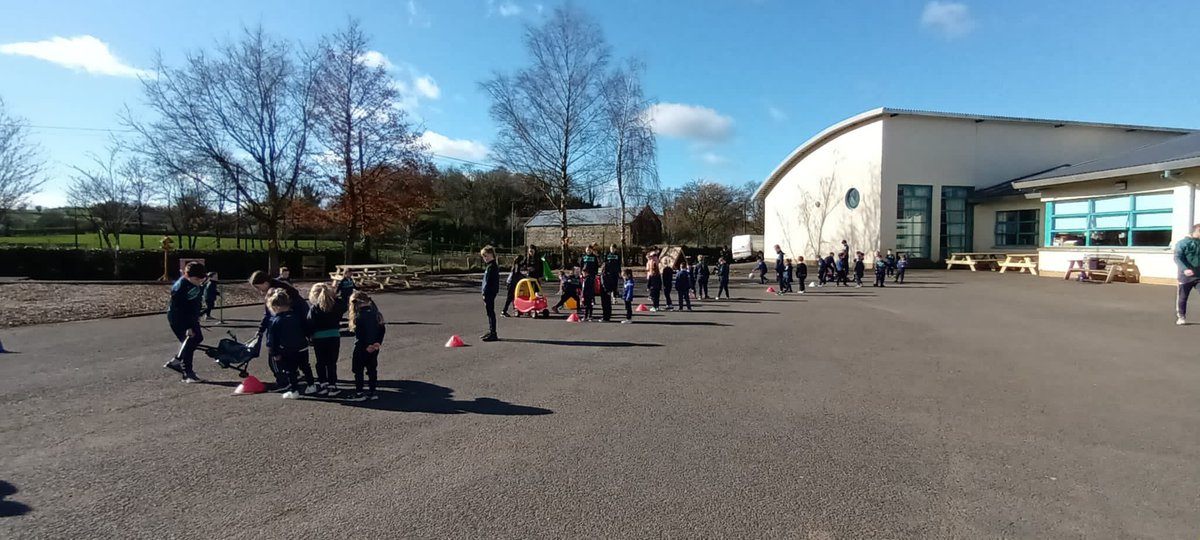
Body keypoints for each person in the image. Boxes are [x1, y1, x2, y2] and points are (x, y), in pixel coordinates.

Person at [266, 288, 317, 399]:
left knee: (291, 370)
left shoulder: (276, 321)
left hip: (288, 349)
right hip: (302, 347)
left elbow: (272, 339)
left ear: (275, 307)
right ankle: (311, 385)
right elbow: (306, 328)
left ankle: (294, 390)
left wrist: (274, 352)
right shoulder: (297, 316)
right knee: (306, 367)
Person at [307, 276, 354, 396]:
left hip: (319, 337)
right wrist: (335, 294)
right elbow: (343, 304)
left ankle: (323, 383)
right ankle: (332, 384)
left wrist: (309, 336)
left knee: (320, 362)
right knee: (331, 362)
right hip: (333, 335)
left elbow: (309, 323)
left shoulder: (314, 308)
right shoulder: (335, 306)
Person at [164, 261, 208, 383]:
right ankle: (187, 373)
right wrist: (188, 326)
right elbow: (181, 308)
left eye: (201, 279)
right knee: (191, 340)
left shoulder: (195, 283)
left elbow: (196, 301)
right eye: (196, 279)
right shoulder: (180, 288)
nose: (199, 281)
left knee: (195, 339)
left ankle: (177, 361)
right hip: (179, 318)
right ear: (187, 276)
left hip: (190, 317)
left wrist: (198, 314)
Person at [347, 291, 385, 401]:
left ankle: (359, 392)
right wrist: (377, 343)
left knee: (358, 370)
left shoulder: (358, 317)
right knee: (372, 369)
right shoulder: (376, 314)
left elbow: (360, 334)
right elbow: (382, 329)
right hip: (374, 347)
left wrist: (367, 345)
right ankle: (372, 391)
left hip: (361, 347)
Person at [250, 270, 308, 338]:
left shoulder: (278, 292)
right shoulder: (272, 290)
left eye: (258, 288)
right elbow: (267, 312)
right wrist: (260, 330)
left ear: (265, 283)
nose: (259, 291)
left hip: (297, 317)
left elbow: (268, 312)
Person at [1175, 224, 1200, 325]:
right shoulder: (1182, 243)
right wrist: (1185, 269)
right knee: (1183, 297)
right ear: (1195, 231)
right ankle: (1181, 316)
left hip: (1199, 275)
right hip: (1185, 276)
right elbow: (1177, 257)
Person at [481, 245, 500, 341]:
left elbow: (489, 282)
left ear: (491, 254)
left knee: (490, 312)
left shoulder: (492, 267)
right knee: (489, 312)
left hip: (489, 292)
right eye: (483, 256)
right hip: (489, 292)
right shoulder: (490, 266)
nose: (484, 258)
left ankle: (493, 333)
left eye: (485, 255)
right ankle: (491, 330)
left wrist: (485, 292)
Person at [601, 244, 621, 322]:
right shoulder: (607, 254)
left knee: (614, 285)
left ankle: (614, 297)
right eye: (611, 248)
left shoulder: (617, 255)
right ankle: (611, 294)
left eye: (613, 248)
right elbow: (604, 262)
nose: (612, 250)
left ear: (615, 249)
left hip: (614, 272)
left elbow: (619, 264)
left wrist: (619, 271)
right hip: (608, 272)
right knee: (608, 285)